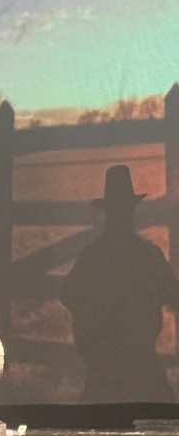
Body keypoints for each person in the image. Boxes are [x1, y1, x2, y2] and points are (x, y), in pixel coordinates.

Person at [60, 165, 179, 404]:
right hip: (142, 368)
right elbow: (173, 295)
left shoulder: (92, 256)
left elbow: (68, 294)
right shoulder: (148, 256)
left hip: (103, 370)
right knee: (163, 415)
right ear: (131, 210)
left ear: (107, 211)